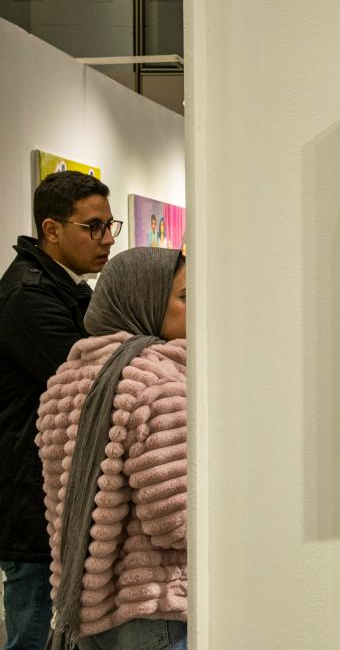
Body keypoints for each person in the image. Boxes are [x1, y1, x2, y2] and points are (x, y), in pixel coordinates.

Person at [35, 247, 187, 649]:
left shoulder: (67, 381)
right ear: (146, 300)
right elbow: (176, 521)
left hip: (85, 605)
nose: (197, 309)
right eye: (185, 297)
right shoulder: (160, 383)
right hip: (154, 605)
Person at [0, 170, 117, 650]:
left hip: (50, 492)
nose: (107, 239)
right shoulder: (28, 296)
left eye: (110, 225)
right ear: (51, 229)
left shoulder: (67, 288)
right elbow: (91, 380)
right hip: (31, 498)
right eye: (94, 227)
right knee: (32, 631)